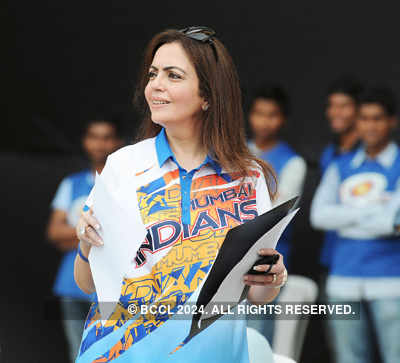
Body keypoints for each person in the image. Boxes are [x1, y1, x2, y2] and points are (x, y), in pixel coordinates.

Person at [73, 26, 288, 363]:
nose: (156, 85)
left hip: (217, 354)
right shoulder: (123, 166)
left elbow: (259, 292)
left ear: (208, 95)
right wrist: (85, 243)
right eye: (153, 74)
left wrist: (275, 275)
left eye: (173, 75)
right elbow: (88, 283)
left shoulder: (249, 176)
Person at [310, 86, 400, 363]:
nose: (370, 126)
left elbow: (394, 221)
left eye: (377, 118)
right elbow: (319, 216)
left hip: (391, 280)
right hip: (343, 279)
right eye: (364, 119)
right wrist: (377, 211)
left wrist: (347, 216)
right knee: (348, 358)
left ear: (392, 122)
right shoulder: (341, 164)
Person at [46, 117, 123, 363]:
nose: (99, 144)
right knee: (77, 355)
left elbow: (126, 234)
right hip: (70, 283)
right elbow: (54, 233)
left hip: (114, 285)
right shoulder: (72, 183)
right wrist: (95, 230)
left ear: (118, 142)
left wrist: (80, 231)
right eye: (93, 136)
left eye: (106, 137)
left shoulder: (127, 184)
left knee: (113, 355)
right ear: (84, 141)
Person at [246, 84, 306, 344]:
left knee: (257, 338)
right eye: (259, 113)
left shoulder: (293, 161)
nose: (264, 121)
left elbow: (277, 214)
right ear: (250, 115)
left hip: (266, 259)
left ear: (282, 119)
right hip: (225, 257)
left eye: (272, 114)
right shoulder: (234, 152)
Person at [318, 76, 364, 272]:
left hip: (367, 253)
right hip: (332, 254)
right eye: (332, 105)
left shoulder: (370, 153)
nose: (335, 112)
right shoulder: (329, 153)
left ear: (359, 109)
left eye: (344, 106)